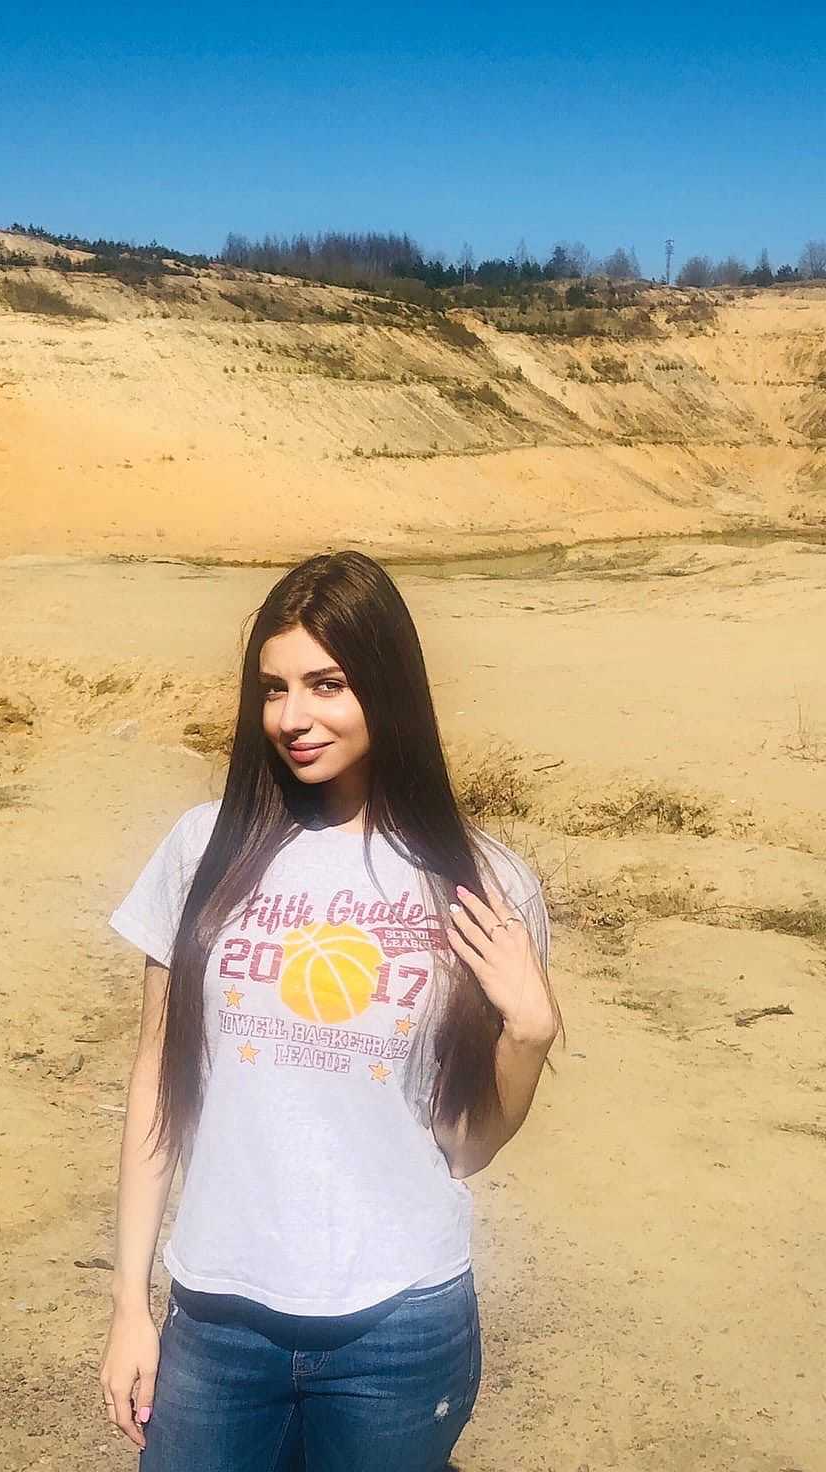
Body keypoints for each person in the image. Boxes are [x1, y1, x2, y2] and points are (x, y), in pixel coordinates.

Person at [99, 550, 563, 1471]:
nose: (292, 718)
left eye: (327, 684)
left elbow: (467, 1146)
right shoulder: (203, 849)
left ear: (388, 688)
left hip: (399, 1326)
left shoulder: (481, 882)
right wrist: (128, 1306)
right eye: (273, 689)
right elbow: (157, 1082)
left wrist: (530, 1035)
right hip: (218, 1317)